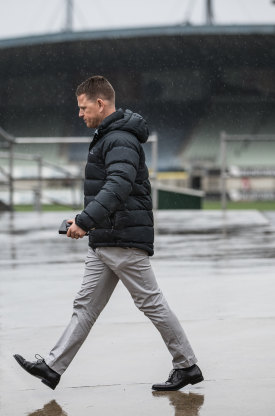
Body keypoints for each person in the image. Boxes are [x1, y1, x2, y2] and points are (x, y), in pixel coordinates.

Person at [14, 76, 203, 391]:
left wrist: (85, 221)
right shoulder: (109, 136)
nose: (79, 114)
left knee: (151, 302)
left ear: (100, 103)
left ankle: (186, 365)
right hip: (107, 237)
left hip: (123, 237)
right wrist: (85, 219)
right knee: (85, 306)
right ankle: (52, 367)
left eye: (83, 107)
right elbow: (109, 187)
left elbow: (118, 185)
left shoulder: (120, 139)